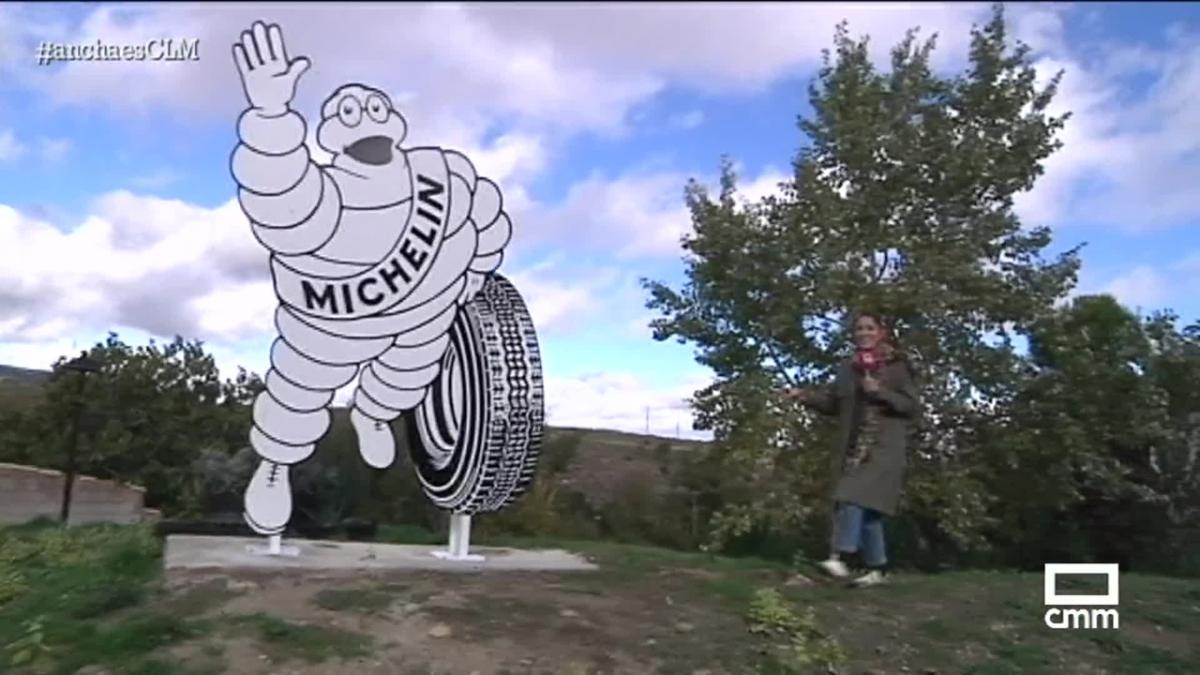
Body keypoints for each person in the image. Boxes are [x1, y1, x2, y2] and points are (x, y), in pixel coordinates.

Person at [783, 312, 920, 587]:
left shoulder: (897, 367)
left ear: (882, 332)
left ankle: (840, 557)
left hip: (884, 447)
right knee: (868, 511)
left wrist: (879, 392)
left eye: (870, 328)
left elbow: (910, 406)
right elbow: (834, 404)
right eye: (858, 328)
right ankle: (877, 570)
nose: (863, 333)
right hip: (854, 446)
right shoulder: (848, 368)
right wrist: (805, 397)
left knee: (850, 496)